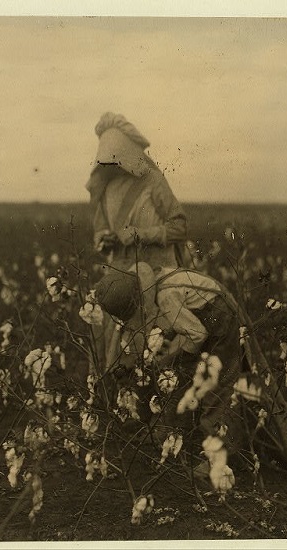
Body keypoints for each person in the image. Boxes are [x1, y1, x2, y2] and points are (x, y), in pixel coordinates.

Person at [92, 262, 287, 489]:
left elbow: (197, 334)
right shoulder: (154, 280)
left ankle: (223, 457)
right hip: (215, 314)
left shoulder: (165, 297)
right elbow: (189, 315)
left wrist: (173, 359)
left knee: (218, 390)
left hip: (223, 324)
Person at [85, 112, 188, 374]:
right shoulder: (104, 190)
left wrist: (139, 234)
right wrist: (105, 241)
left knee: (152, 339)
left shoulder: (153, 181)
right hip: (119, 275)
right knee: (106, 335)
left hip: (157, 274)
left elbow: (179, 227)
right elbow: (101, 232)